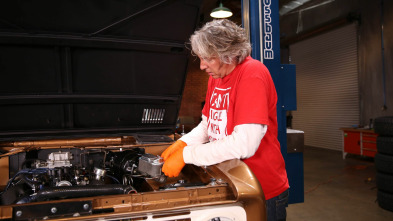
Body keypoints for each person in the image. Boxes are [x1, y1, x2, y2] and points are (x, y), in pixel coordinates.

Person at [161, 19, 289, 221]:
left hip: (260, 190)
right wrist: (184, 142)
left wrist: (186, 155)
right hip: (229, 182)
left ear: (228, 55)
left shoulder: (252, 74)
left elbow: (244, 144)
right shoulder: (217, 77)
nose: (202, 66)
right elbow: (208, 123)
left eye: (208, 59)